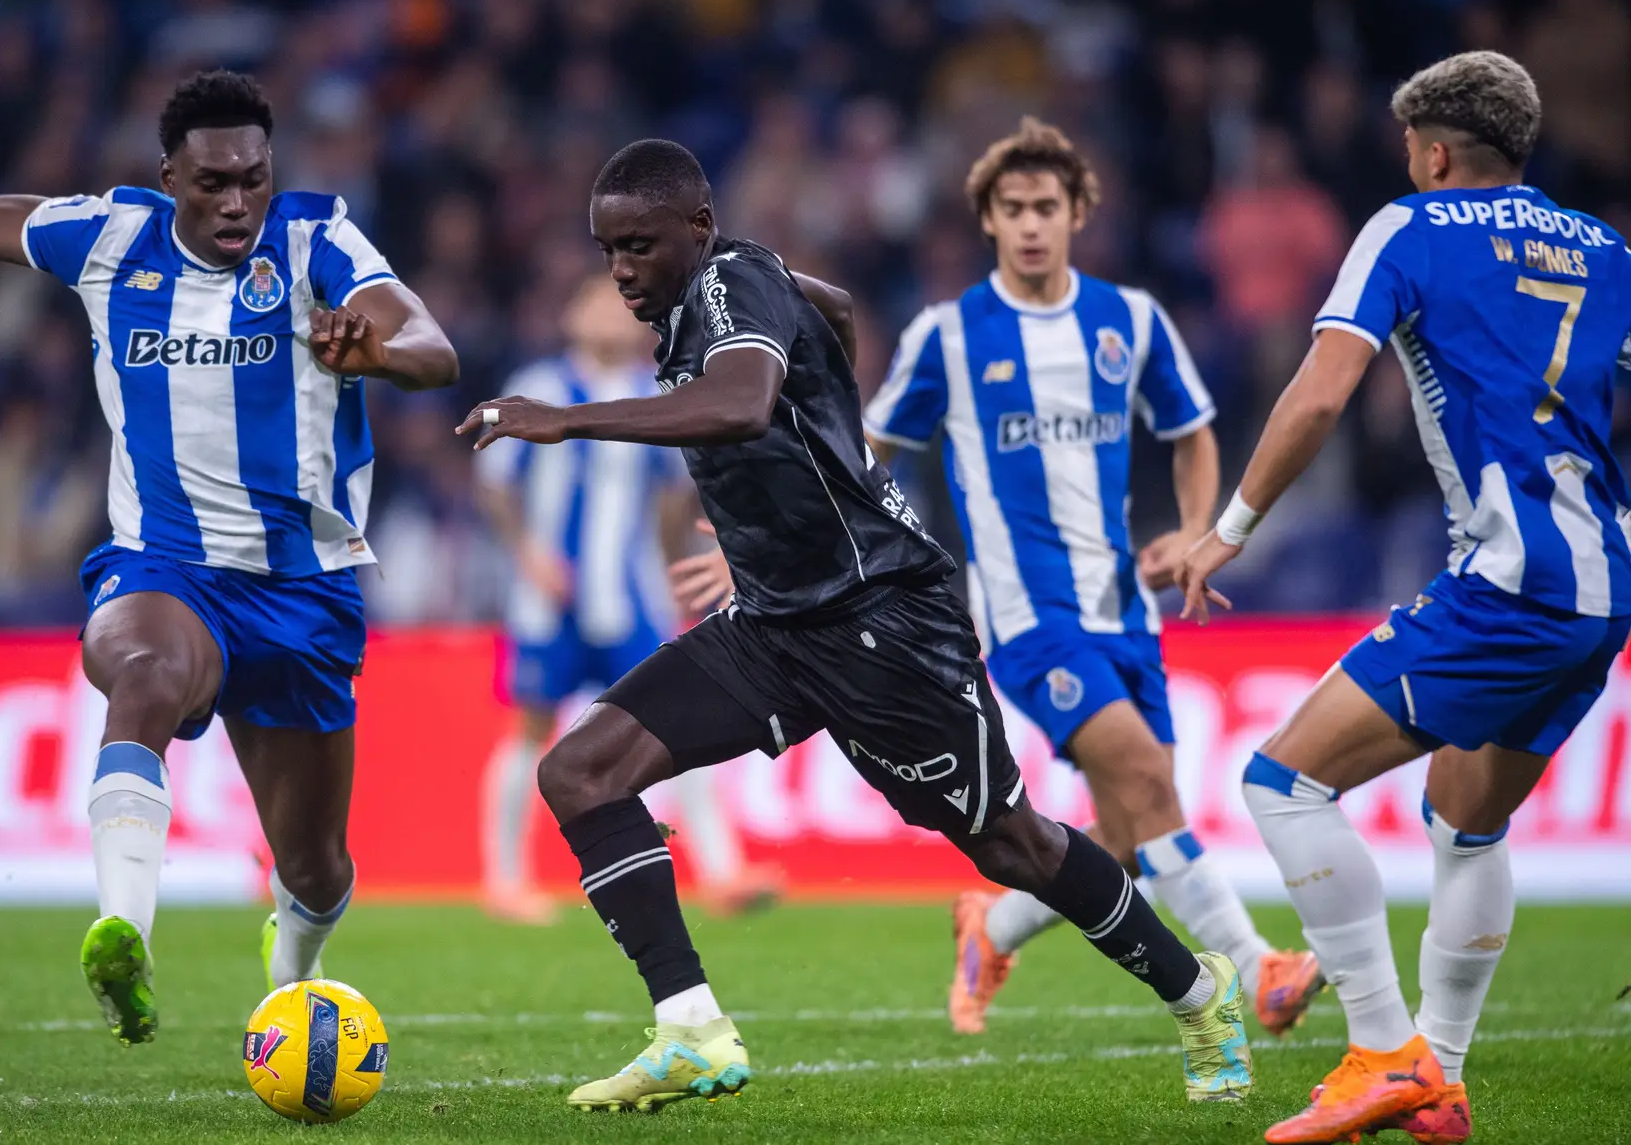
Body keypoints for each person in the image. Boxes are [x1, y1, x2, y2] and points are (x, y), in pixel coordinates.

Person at [456, 138, 1253, 1113]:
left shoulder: (726, 278)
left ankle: (1201, 990)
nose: (622, 269)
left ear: (697, 231)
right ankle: (691, 1028)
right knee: (579, 768)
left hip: (886, 618)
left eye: (640, 246)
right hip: (776, 625)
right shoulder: (721, 290)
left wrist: (567, 418)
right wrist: (820, 387)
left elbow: (745, 402)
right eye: (608, 249)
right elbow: (828, 311)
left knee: (1012, 845)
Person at [0, 71, 459, 1044]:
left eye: (253, 180)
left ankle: (293, 975)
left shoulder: (319, 242)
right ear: (168, 176)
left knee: (318, 866)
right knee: (143, 672)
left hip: (302, 592)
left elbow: (433, 345)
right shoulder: (110, 239)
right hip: (164, 567)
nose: (236, 202)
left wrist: (380, 348)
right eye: (212, 182)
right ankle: (123, 931)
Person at [1176, 51, 1631, 1145]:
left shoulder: (1409, 227)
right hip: (1601, 580)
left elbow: (1321, 389)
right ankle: (1446, 1078)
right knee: (1466, 824)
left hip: (1512, 578)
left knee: (1281, 779)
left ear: (1431, 151)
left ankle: (1384, 1048)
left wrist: (1227, 528)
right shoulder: (1610, 248)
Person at [858, 118, 1323, 1038]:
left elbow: (1191, 430)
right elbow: (869, 453)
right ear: (988, 220)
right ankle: (1260, 970)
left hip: (1124, 610)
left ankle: (991, 926)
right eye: (1012, 209)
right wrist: (786, 524)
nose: (1031, 224)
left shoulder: (1131, 320)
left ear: (1078, 213)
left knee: (1128, 833)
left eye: (1047, 207)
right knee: (1151, 783)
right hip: (1027, 619)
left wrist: (1195, 531)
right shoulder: (948, 337)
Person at [475, 272, 777, 923]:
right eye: (593, 301)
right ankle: (503, 878)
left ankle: (721, 873)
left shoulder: (657, 394)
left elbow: (675, 493)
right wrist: (528, 554)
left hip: (630, 596)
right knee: (529, 728)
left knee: (682, 723)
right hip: (548, 598)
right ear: (570, 317)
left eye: (617, 304)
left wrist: (671, 565)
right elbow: (496, 482)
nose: (607, 313)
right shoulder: (542, 389)